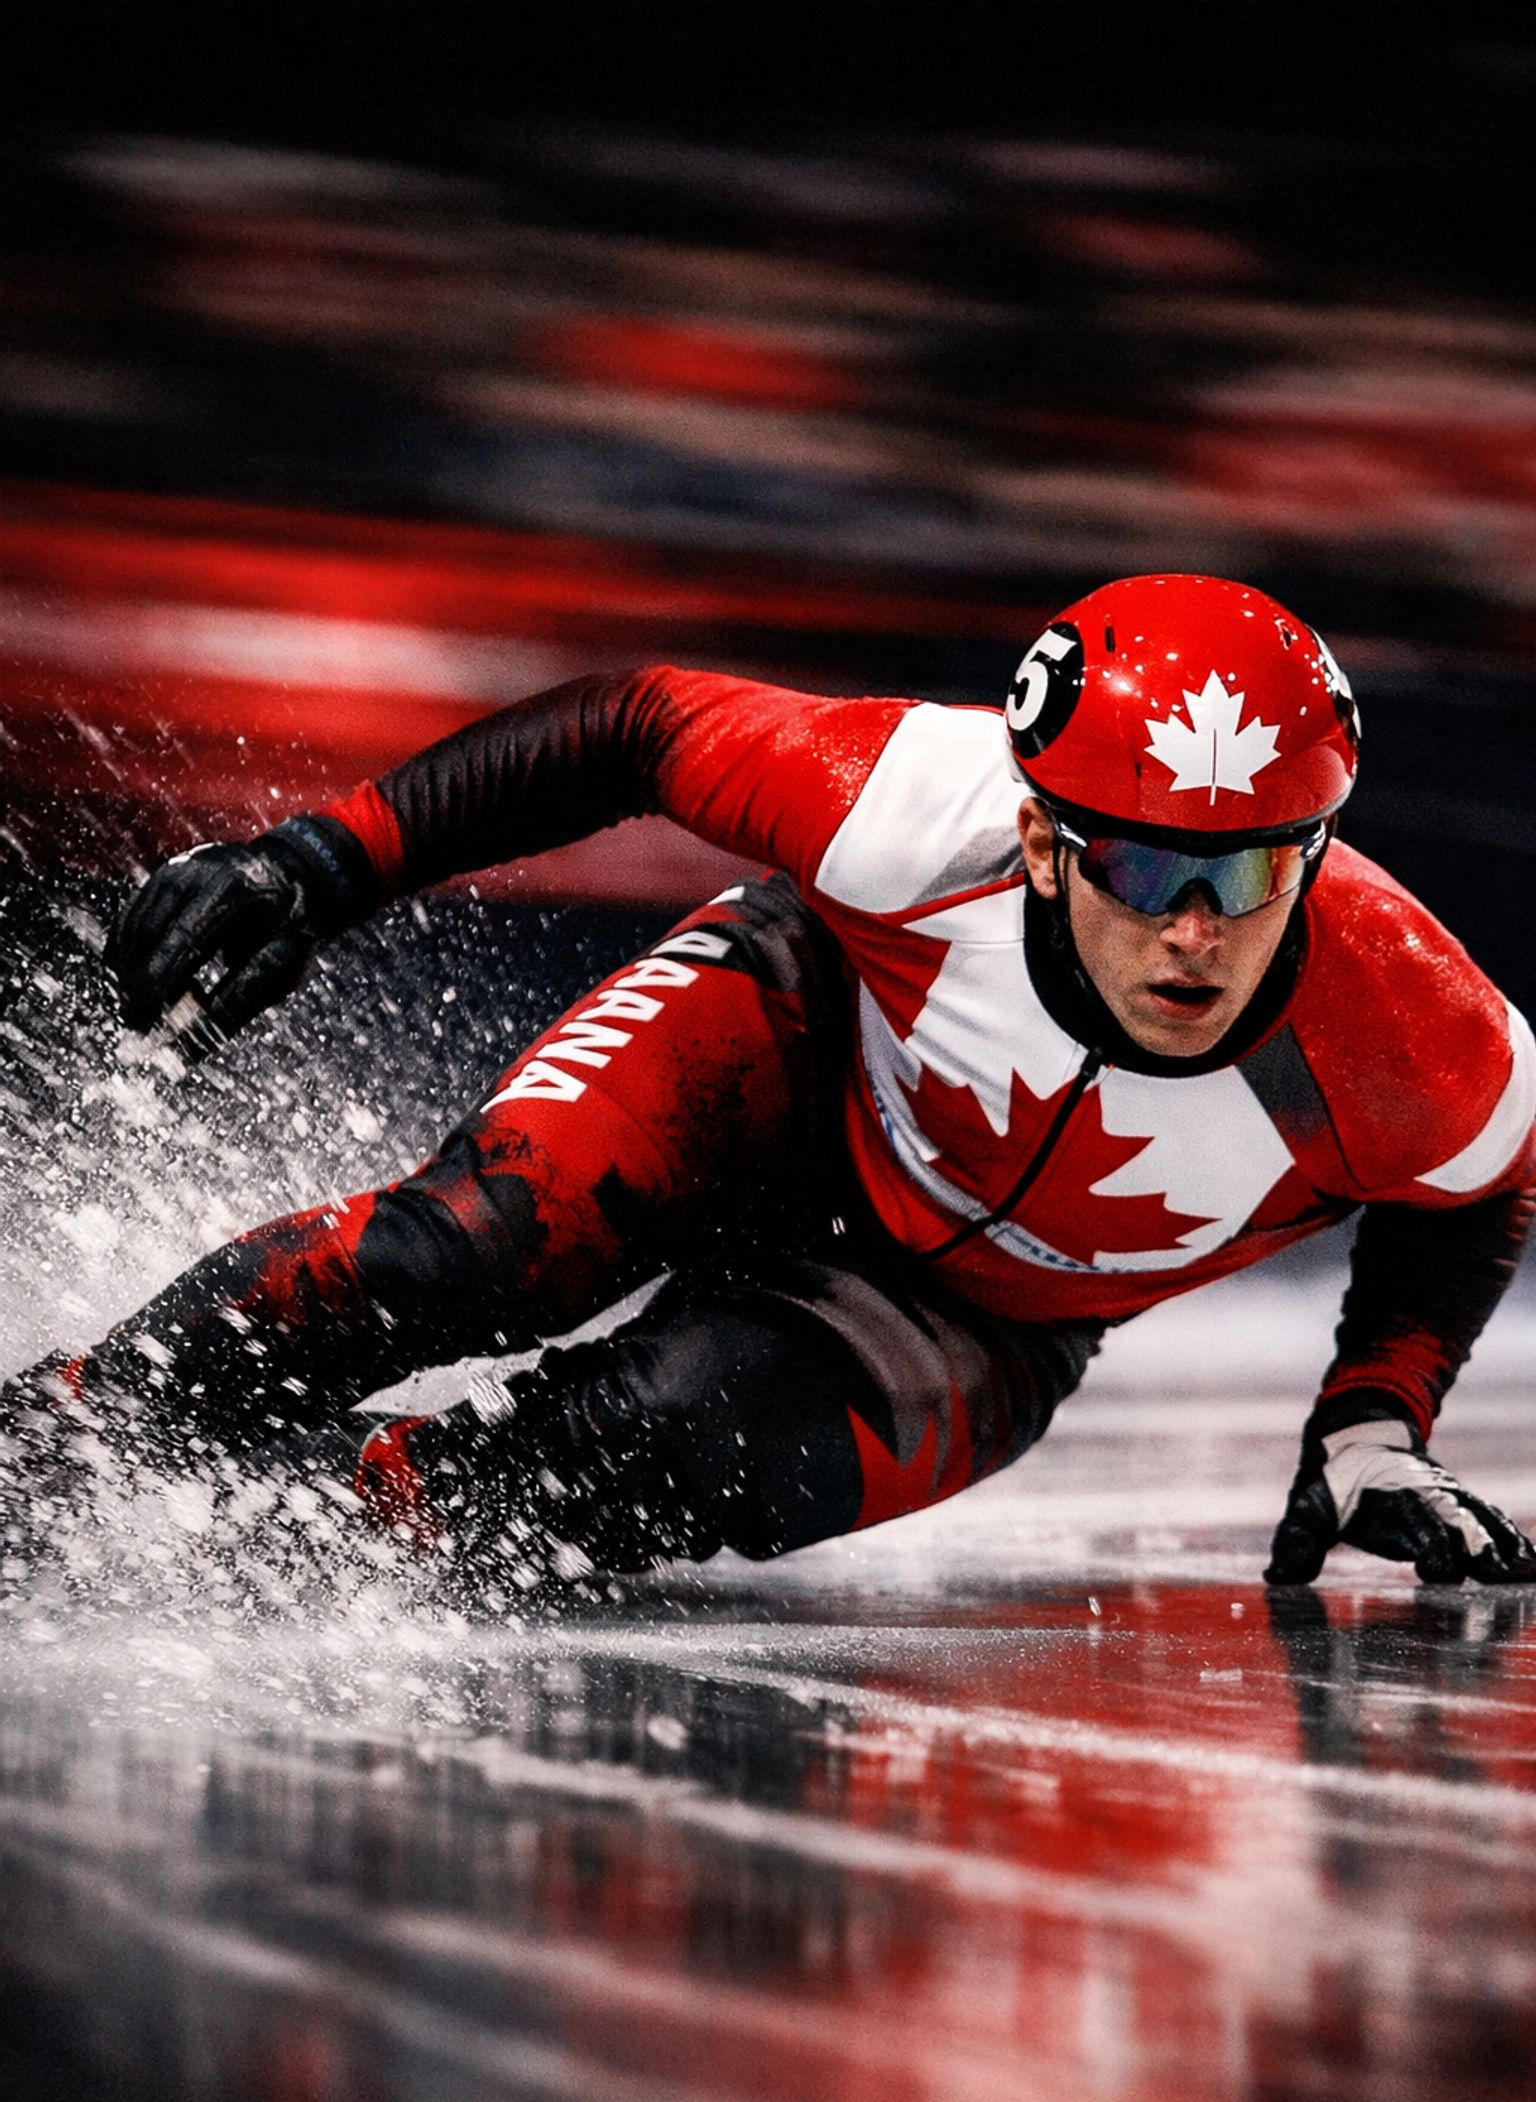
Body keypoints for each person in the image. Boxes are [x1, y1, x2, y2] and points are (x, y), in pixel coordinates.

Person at [5, 574, 1534, 1596]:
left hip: (986, 1319)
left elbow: (1474, 1190)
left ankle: (323, 1526)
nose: (1195, 929)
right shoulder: (917, 812)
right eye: (1143, 863)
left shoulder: (1416, 1025)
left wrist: (1373, 1422)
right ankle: (69, 1423)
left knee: (638, 1453)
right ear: (1048, 837)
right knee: (463, 1248)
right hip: (794, 1045)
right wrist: (322, 862)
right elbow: (635, 725)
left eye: (1254, 868)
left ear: (1317, 855)